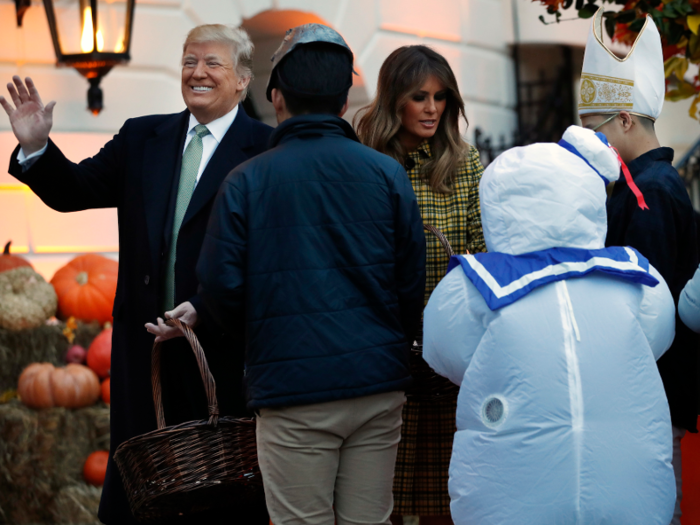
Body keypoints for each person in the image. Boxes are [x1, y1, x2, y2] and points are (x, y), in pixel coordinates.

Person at [1, 24, 272, 524]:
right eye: (190, 61)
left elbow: (270, 259)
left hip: (222, 351)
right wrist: (37, 148)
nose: (198, 72)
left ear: (242, 80)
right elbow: (74, 190)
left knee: (220, 503)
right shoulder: (143, 135)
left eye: (214, 63)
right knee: (141, 500)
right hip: (143, 348)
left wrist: (207, 310)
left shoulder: (266, 149)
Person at [196, 24, 426, 525]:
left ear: (275, 97)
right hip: (376, 384)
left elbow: (217, 287)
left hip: (292, 388)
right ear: (344, 103)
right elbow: (412, 279)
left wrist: (264, 338)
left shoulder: (246, 181)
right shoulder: (386, 174)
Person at [423, 125, 677, 525]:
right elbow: (657, 337)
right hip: (629, 487)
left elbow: (444, 352)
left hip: (511, 492)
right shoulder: (635, 278)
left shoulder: (473, 286)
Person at [354, 45, 486, 525]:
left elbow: (481, 250)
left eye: (441, 97)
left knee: (443, 497)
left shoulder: (464, 162)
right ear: (393, 100)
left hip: (443, 356)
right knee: (372, 496)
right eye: (419, 97)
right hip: (378, 348)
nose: (432, 108)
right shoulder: (361, 157)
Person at [577, 9, 699, 524]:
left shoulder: (645, 191)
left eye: (594, 128)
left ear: (624, 119)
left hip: (649, 391)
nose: (590, 141)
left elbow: (639, 303)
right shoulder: (660, 182)